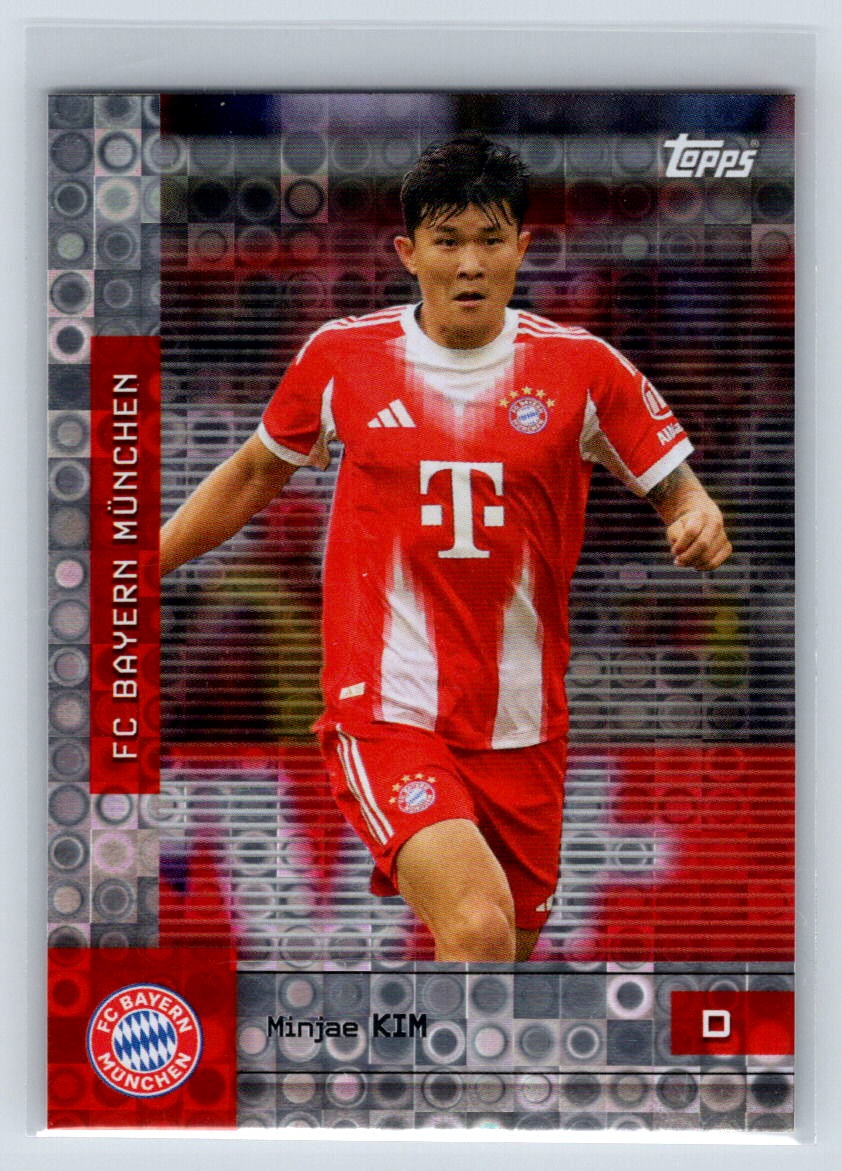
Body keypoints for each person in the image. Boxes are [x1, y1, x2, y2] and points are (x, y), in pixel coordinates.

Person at [160, 134, 732, 963]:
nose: (470, 264)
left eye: (491, 240)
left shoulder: (583, 367)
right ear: (408, 252)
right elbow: (253, 473)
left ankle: (416, 1052)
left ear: (522, 248)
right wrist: (130, 567)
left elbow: (676, 485)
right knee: (477, 924)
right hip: (388, 708)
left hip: (525, 722)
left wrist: (696, 513)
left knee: (502, 958)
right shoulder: (343, 357)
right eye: (448, 241)